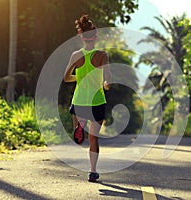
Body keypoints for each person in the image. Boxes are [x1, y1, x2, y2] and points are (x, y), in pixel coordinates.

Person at [64, 14, 111, 182]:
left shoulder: (76, 55)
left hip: (79, 99)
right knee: (93, 138)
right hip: (97, 100)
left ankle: (79, 123)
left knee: (76, 113)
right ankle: (92, 171)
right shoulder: (103, 55)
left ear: (82, 36)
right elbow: (108, 80)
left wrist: (79, 77)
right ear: (95, 36)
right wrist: (105, 84)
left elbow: (66, 77)